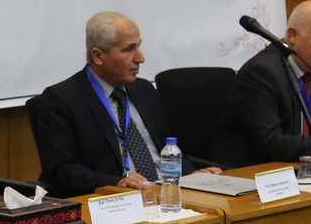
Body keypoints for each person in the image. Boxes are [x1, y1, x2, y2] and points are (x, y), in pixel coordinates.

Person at [35, 11, 218, 198]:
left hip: (166, 194)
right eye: (129, 49)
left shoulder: (144, 90)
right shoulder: (61, 99)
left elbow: (167, 147)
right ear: (98, 56)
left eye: (139, 47)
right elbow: (62, 171)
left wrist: (191, 174)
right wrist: (116, 183)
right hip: (116, 200)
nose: (140, 58)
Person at [216, 0, 311, 167]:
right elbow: (273, 143)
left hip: (307, 170)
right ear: (293, 35)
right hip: (254, 173)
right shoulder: (260, 73)